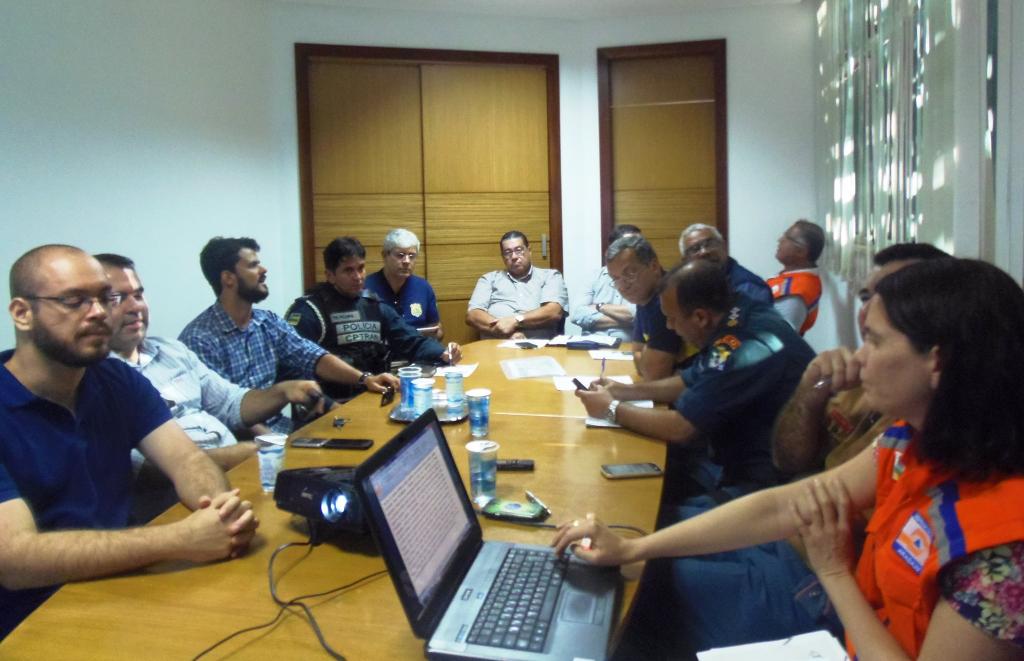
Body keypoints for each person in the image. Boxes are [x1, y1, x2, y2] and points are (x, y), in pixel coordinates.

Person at [556, 257, 1024, 660]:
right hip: (824, 586)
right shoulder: (908, 442)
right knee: (625, 574)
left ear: (937, 361)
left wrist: (834, 571)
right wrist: (632, 549)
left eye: (876, 342)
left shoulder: (1003, 559)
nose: (859, 359)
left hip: (830, 611)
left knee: (632, 607)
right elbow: (785, 505)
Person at [0, 245, 258, 640]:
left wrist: (219, 512)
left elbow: (187, 460)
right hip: (32, 624)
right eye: (74, 300)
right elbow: (14, 560)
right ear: (22, 313)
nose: (99, 312)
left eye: (106, 298)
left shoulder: (116, 379)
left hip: (124, 588)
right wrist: (181, 539)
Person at [96, 254, 324, 521]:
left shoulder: (172, 351)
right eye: (117, 298)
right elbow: (142, 469)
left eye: (138, 295)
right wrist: (239, 454)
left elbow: (230, 403)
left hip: (236, 477)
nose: (135, 306)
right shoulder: (97, 378)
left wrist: (284, 391)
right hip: (176, 504)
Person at [576, 260, 815, 508]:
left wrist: (610, 409)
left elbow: (681, 428)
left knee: (638, 510)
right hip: (732, 455)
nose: (669, 326)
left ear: (700, 317)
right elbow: (689, 380)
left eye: (672, 319)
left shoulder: (744, 347)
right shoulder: (739, 310)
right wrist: (622, 391)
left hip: (766, 483)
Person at [179, 237, 398, 426]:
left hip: (281, 429)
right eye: (253, 265)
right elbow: (224, 412)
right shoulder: (200, 339)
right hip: (242, 442)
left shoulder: (268, 322)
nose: (264, 270)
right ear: (228, 278)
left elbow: (312, 356)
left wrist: (365, 379)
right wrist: (281, 446)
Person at [285, 237, 459, 400]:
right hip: (330, 402)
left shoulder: (372, 305)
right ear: (330, 275)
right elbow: (293, 366)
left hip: (373, 394)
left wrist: (442, 353)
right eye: (348, 270)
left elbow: (410, 339)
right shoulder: (309, 311)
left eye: (360, 268)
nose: (358, 277)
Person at [604, 234, 690, 381]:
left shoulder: (668, 298)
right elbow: (636, 353)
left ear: (654, 266)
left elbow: (654, 374)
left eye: (630, 273)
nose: (623, 286)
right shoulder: (644, 298)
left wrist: (643, 356)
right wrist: (644, 357)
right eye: (616, 279)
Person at [466, 231, 568, 340]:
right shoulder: (489, 279)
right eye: (508, 252)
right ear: (503, 257)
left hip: (539, 346)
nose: (514, 256)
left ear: (529, 251)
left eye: (519, 250)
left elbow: (553, 312)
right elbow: (472, 315)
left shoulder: (550, 276)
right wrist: (506, 333)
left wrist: (516, 320)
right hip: (495, 346)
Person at [364, 228, 443, 339]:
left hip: (417, 347)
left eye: (411, 256)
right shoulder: (366, 288)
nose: (407, 261)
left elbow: (437, 329)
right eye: (400, 255)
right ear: (385, 255)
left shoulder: (423, 287)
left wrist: (435, 334)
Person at [569, 224, 641, 340]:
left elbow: (637, 315)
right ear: (613, 248)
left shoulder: (644, 278)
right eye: (631, 245)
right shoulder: (593, 277)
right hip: (591, 345)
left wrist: (600, 307)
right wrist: (625, 320)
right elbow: (577, 314)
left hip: (628, 345)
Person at [679, 223, 772, 305]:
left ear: (724, 245)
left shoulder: (747, 286)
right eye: (695, 249)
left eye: (709, 244)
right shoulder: (687, 287)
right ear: (685, 260)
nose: (704, 252)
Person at [766, 220, 825, 334]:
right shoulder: (793, 278)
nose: (780, 240)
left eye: (786, 237)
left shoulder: (796, 292)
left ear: (801, 251)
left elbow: (779, 337)